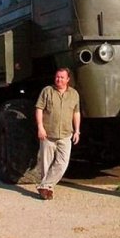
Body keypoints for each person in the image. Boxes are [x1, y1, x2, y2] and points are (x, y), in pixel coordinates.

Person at [35, 68, 81, 200]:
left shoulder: (74, 94)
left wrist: (77, 130)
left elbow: (76, 113)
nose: (58, 79)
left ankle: (44, 185)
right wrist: (40, 127)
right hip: (48, 134)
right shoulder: (47, 91)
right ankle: (46, 191)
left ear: (68, 79)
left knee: (62, 163)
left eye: (62, 77)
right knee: (46, 164)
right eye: (57, 77)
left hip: (66, 134)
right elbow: (39, 109)